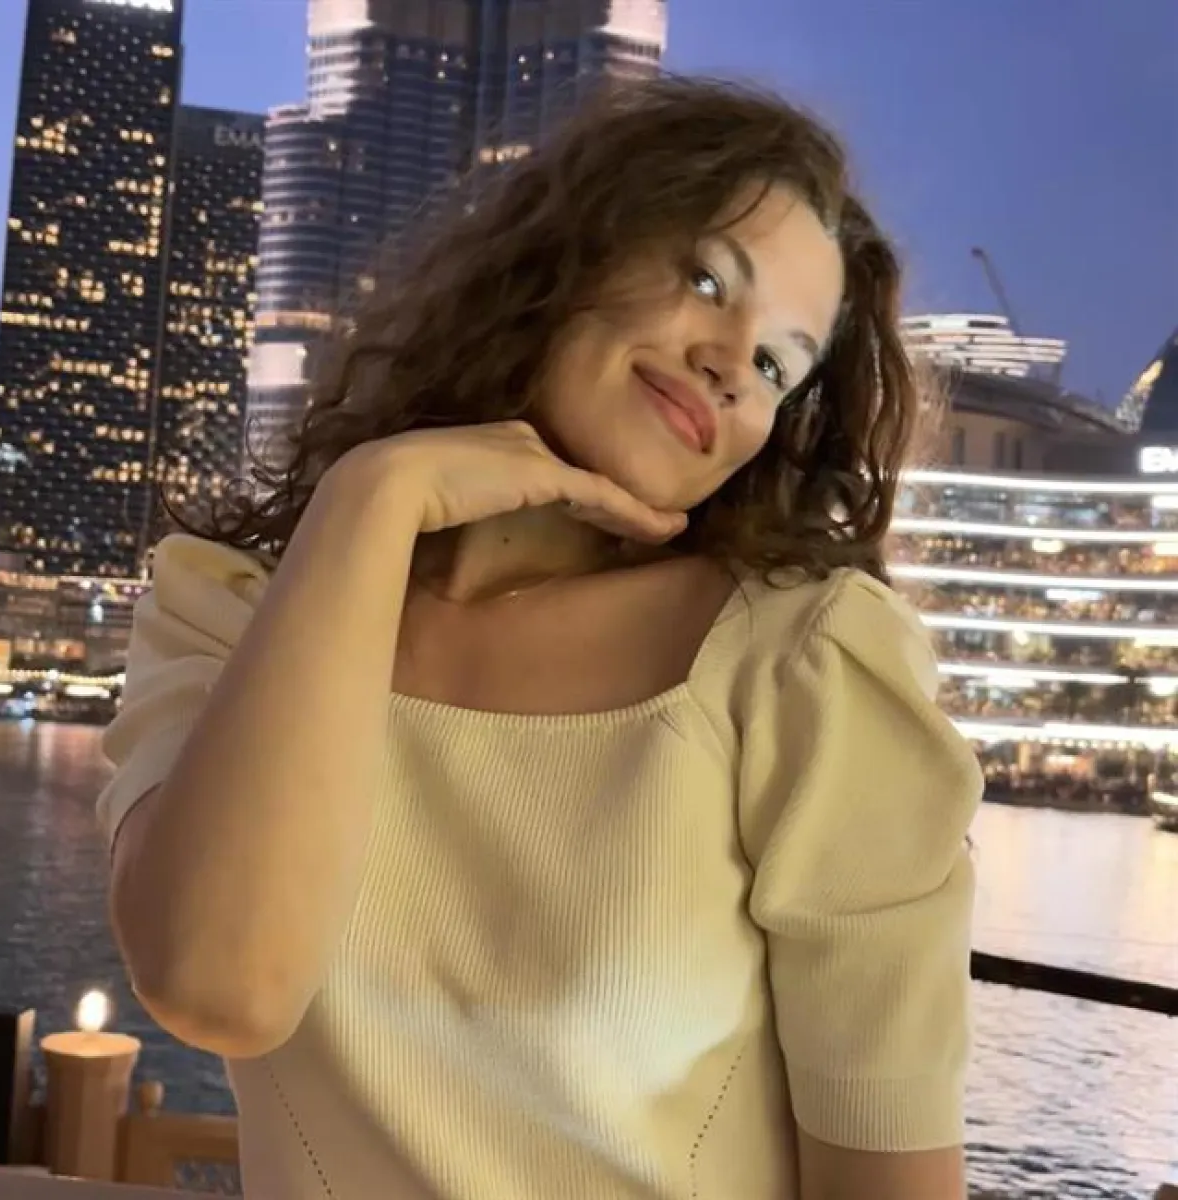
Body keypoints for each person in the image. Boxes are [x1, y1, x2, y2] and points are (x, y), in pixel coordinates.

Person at [97, 77, 983, 1200]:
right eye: (708, 280)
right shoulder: (230, 610)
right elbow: (219, 985)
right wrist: (378, 496)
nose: (729, 361)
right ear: (573, 253)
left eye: (775, 365)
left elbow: (889, 1181)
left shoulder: (803, 661)